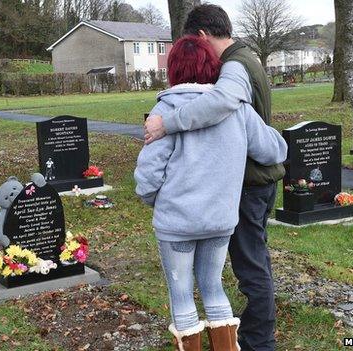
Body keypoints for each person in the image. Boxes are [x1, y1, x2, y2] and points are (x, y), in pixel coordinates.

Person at [143, 5, 285, 350]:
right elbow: (275, 150)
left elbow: (148, 176)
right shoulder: (239, 107)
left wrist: (157, 201)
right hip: (221, 218)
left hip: (177, 221)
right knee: (214, 287)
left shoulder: (166, 111)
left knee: (181, 293)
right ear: (211, 65)